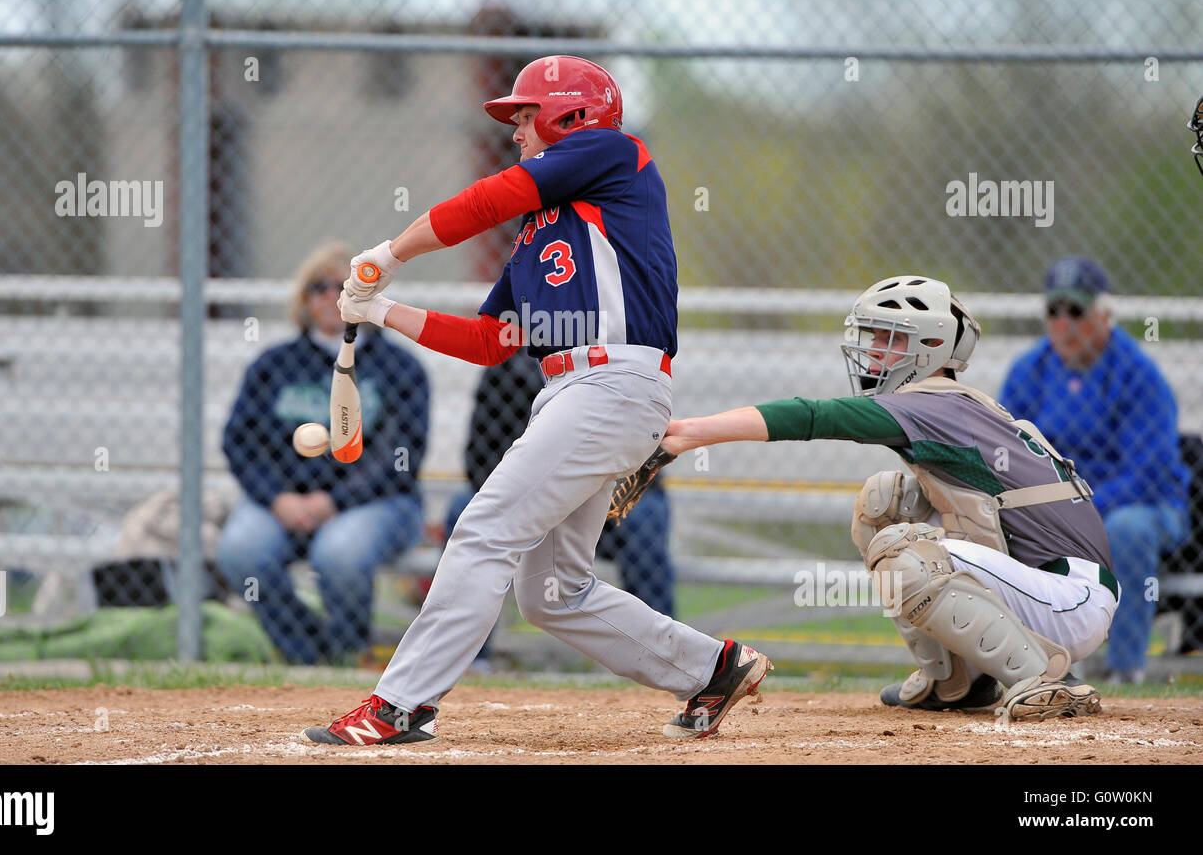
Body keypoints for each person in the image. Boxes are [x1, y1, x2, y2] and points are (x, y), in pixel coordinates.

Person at [302, 55, 769, 746]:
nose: (517, 133)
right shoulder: (537, 233)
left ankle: (401, 703)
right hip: (570, 391)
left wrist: (390, 253)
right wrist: (384, 309)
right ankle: (712, 667)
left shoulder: (615, 152)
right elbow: (493, 339)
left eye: (525, 118)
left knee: (485, 529)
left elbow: (487, 199)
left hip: (613, 382)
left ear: (570, 114)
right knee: (551, 591)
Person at [632, 276, 1116, 721]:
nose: (874, 351)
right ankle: (955, 683)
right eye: (875, 338)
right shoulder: (947, 401)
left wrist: (687, 434)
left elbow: (811, 418)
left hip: (1069, 597)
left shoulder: (935, 403)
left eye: (891, 339)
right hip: (1050, 588)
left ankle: (1044, 680)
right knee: (883, 504)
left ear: (932, 348)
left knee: (904, 552)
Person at [217, 242, 430, 664]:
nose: (333, 296)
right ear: (304, 299)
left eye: (345, 286)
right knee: (241, 549)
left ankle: (349, 652)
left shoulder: (398, 367)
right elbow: (240, 441)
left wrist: (333, 502)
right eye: (320, 287)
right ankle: (308, 652)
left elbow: (401, 456)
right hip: (282, 501)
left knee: (340, 553)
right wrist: (279, 498)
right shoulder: (274, 365)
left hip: (375, 503)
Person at [1000, 257, 1190, 683]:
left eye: (1077, 311)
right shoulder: (1029, 372)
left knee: (1127, 529)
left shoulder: (1138, 375)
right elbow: (1006, 453)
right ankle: (1036, 667)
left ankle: (1124, 669)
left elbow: (1149, 472)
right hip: (1055, 504)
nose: (1064, 323)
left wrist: (1079, 510)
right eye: (1055, 311)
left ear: (1105, 315)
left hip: (1142, 506)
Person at [442, 352, 675, 643]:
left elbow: (644, 457)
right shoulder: (506, 372)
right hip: (531, 499)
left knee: (647, 514)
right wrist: (538, 489)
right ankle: (471, 658)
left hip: (603, 500)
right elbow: (477, 459)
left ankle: (662, 648)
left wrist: (585, 491)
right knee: (461, 508)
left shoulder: (618, 365)